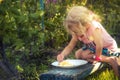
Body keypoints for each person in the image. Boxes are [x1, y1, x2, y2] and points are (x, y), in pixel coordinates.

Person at [57, 6, 120, 76]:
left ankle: (110, 59)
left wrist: (97, 58)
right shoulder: (77, 32)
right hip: (94, 48)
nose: (74, 33)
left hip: (107, 48)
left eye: (76, 31)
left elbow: (99, 45)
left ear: (84, 24)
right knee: (77, 53)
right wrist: (62, 54)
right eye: (73, 31)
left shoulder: (94, 27)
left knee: (84, 54)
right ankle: (95, 58)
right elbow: (70, 46)